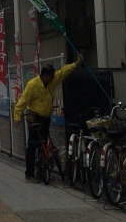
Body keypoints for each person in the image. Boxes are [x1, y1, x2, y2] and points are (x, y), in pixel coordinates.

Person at [13, 53, 83, 181]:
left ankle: (42, 172)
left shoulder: (50, 82)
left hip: (45, 117)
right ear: (45, 76)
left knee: (44, 143)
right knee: (33, 144)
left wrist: (75, 64)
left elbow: (62, 73)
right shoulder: (32, 85)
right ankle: (29, 174)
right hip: (35, 118)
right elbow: (22, 101)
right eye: (51, 77)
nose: (53, 79)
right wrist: (17, 117)